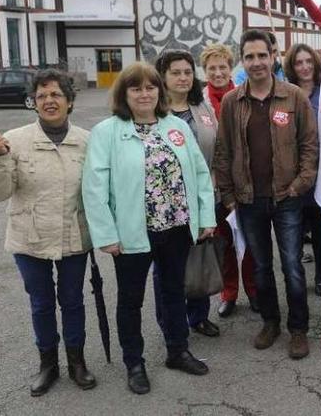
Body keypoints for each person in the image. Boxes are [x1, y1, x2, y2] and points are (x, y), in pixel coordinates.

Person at [82, 62, 215, 394]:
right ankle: (134, 363)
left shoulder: (176, 127)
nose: (145, 93)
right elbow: (94, 189)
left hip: (177, 228)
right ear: (124, 94)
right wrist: (106, 235)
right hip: (131, 235)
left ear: (160, 91)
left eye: (151, 87)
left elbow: (199, 174)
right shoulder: (106, 132)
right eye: (136, 88)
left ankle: (177, 350)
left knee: (173, 293)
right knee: (130, 300)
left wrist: (206, 217)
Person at [0, 70, 96, 396]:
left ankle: (77, 362)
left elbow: (100, 193)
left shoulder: (87, 141)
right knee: (42, 304)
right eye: (42, 96)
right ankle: (48, 364)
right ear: (34, 103)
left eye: (56, 95)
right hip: (29, 239)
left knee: (73, 302)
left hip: (74, 237)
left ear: (70, 102)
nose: (49, 101)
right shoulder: (13, 140)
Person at [213, 30, 318, 359]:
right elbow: (223, 151)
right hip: (248, 201)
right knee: (260, 267)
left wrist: (299, 185)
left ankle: (298, 329)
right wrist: (229, 196)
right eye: (250, 57)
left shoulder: (293, 97)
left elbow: (309, 146)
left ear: (273, 56)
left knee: (292, 266)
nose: (257, 62)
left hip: (287, 197)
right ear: (242, 61)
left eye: (262, 55)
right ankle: (271, 321)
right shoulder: (233, 101)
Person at [154, 49, 220, 337]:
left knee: (200, 259)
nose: (183, 78)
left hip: (204, 197)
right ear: (163, 77)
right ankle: (171, 321)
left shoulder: (202, 107)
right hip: (166, 204)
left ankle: (198, 315)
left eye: (187, 72)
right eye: (175, 72)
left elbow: (216, 150)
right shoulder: (153, 112)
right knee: (167, 266)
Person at [200, 43, 259, 317]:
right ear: (205, 71)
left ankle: (254, 290)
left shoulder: (241, 97)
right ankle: (229, 293)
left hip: (242, 182)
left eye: (222, 66)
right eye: (212, 68)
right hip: (213, 185)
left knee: (248, 241)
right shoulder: (198, 102)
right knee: (223, 243)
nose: (218, 72)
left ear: (231, 68)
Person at [283, 43, 321, 296]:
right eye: (299, 62)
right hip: (293, 174)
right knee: (294, 233)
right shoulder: (286, 93)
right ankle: (295, 278)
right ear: (292, 66)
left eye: (308, 61)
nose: (304, 67)